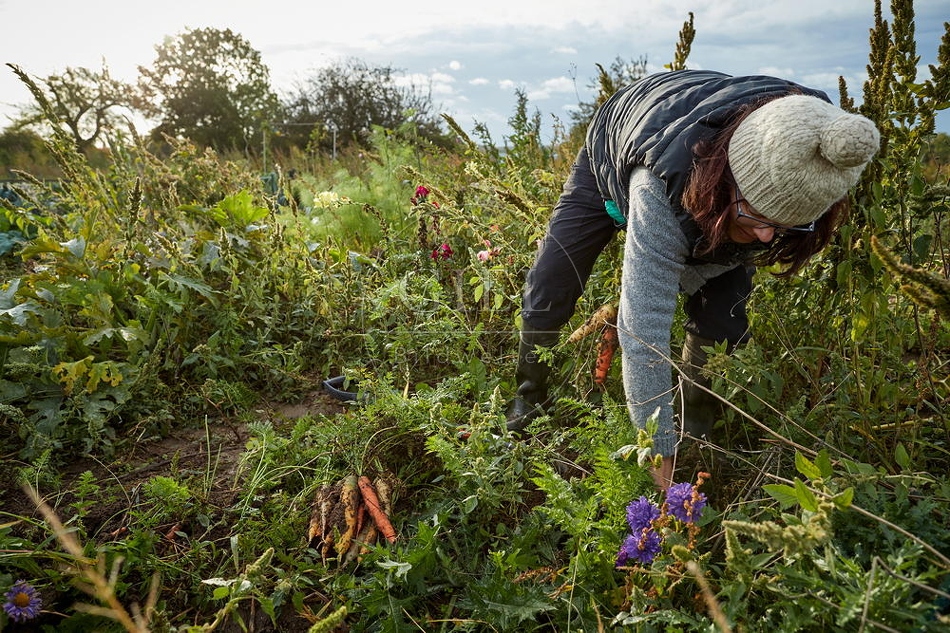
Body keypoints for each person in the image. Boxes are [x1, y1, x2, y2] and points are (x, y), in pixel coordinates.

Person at [506, 69, 880, 489]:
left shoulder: (815, 160)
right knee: (552, 282)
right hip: (621, 144)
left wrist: (690, 271)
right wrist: (657, 448)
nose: (766, 237)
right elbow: (644, 327)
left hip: (721, 186)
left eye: (785, 224)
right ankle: (530, 398)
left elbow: (756, 230)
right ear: (732, 182)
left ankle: (697, 428)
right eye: (759, 215)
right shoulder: (660, 185)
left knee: (725, 319)